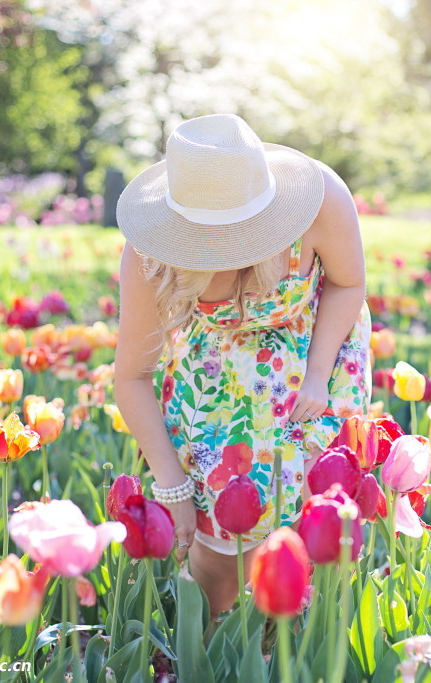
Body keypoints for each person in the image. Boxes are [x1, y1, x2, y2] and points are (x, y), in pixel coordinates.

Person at [113, 113, 371, 616]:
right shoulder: (152, 256)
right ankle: (214, 646)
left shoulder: (320, 202)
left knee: (315, 526)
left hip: (317, 348)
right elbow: (131, 376)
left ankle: (303, 645)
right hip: (214, 374)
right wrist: (172, 483)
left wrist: (318, 372)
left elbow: (348, 283)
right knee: (220, 544)